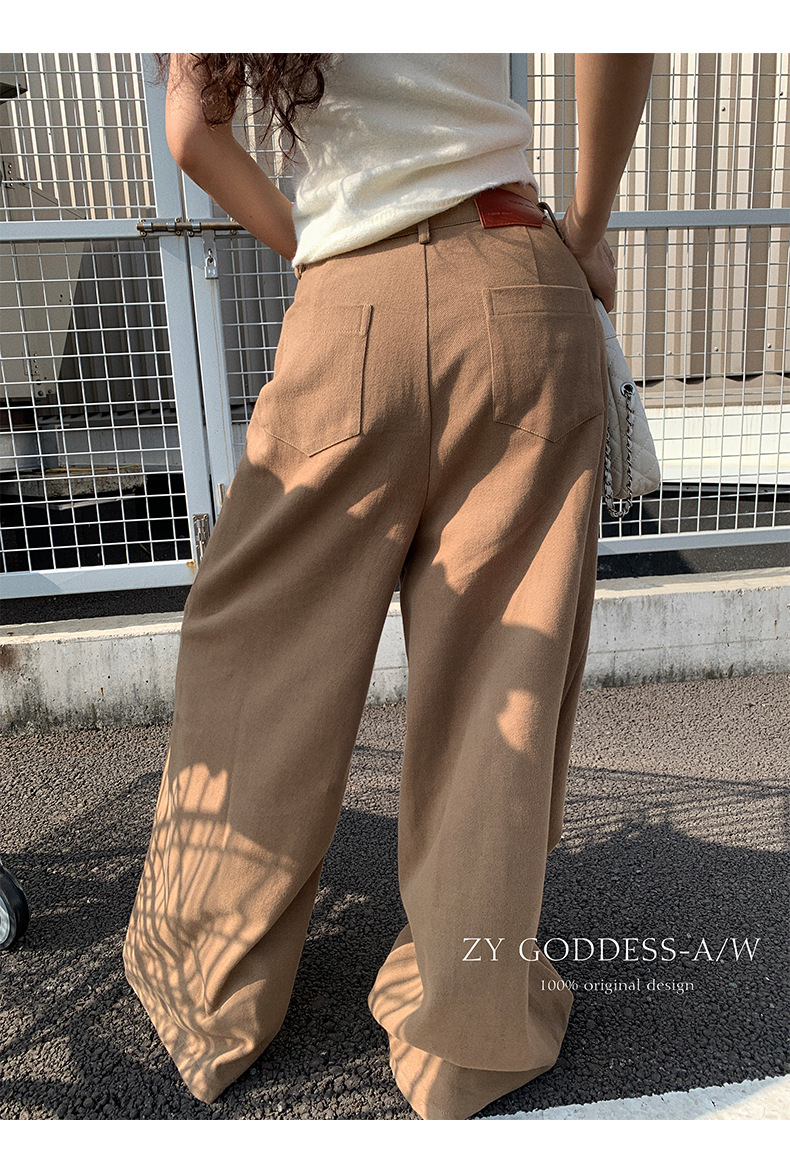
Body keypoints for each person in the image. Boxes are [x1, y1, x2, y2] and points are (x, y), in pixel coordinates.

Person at [123, 52, 654, 1120]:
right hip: (518, 278)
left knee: (254, 650)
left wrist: (321, 253)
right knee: (496, 676)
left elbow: (191, 132)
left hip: (345, 302)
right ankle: (465, 1039)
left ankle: (207, 997)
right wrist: (587, 229)